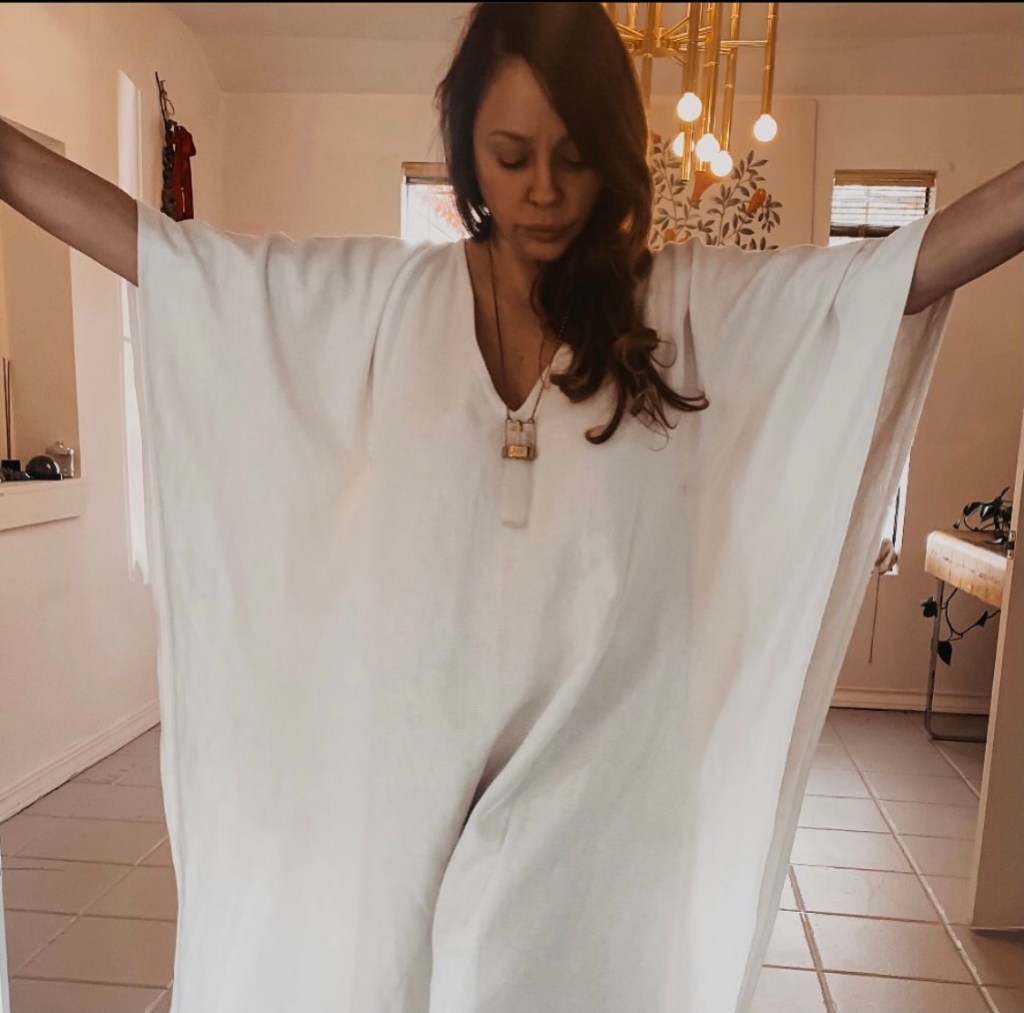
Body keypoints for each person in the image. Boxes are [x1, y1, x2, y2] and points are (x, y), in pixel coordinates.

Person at [1, 3, 1021, 1011]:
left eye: (574, 157)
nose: (543, 189)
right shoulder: (382, 301)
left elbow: (888, 278)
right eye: (511, 153)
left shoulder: (678, 308)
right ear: (465, 150)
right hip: (403, 765)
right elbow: (175, 263)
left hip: (592, 788)